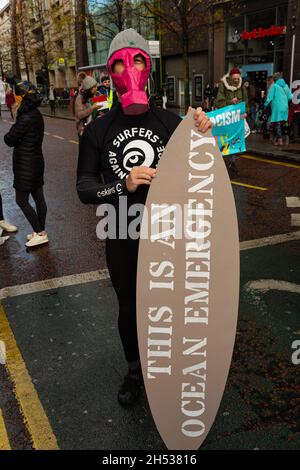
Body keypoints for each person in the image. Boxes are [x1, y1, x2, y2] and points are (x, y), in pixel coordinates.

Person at [76, 29, 212, 407]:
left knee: (172, 303)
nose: (129, 68)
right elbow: (84, 188)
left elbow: (199, 174)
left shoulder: (171, 122)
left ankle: (170, 366)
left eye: (137, 59)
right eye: (120, 62)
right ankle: (135, 371)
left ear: (148, 66)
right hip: (122, 233)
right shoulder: (98, 129)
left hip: (169, 232)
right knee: (130, 307)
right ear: (110, 72)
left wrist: (203, 134)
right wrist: (123, 184)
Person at [3, 81, 48, 248]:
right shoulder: (36, 113)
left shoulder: (25, 116)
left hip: (25, 164)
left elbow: (9, 139)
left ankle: (40, 232)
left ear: (20, 96)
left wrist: (16, 121)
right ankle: (40, 232)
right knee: (39, 197)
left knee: (21, 200)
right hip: (37, 160)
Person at [216, 68, 249, 174]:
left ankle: (232, 161)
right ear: (230, 78)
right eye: (234, 78)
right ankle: (219, 162)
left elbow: (246, 102)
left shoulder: (242, 87)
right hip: (226, 118)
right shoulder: (223, 86)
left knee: (236, 139)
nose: (236, 80)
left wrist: (246, 112)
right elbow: (219, 102)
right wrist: (230, 102)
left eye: (238, 78)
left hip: (237, 118)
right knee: (225, 140)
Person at [264, 74, 291, 146]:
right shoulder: (286, 86)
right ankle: (286, 137)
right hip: (285, 107)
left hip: (277, 107)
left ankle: (280, 140)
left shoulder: (274, 86)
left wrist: (265, 105)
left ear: (275, 79)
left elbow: (269, 97)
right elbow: (290, 97)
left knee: (277, 123)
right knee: (284, 123)